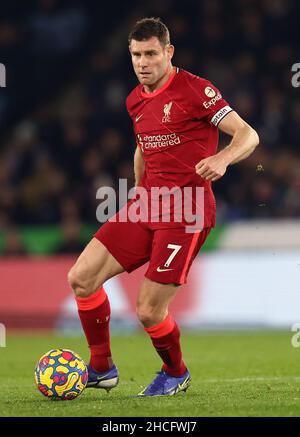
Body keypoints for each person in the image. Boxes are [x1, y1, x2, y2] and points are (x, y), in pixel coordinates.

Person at [68, 17, 259, 396]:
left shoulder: (196, 90)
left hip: (187, 212)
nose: (143, 62)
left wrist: (222, 159)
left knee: (148, 311)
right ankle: (102, 367)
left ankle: (176, 372)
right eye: (136, 54)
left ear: (168, 52)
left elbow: (247, 134)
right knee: (81, 278)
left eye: (151, 54)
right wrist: (138, 188)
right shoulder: (135, 99)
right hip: (147, 205)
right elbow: (144, 144)